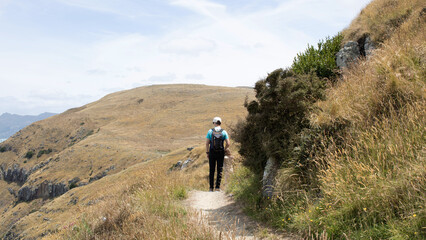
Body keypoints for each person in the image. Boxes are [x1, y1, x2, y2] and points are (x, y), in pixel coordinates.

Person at [206, 117, 230, 192]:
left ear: (214, 123)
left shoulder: (210, 131)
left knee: (212, 170)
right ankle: (217, 187)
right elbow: (228, 143)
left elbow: (207, 143)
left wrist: (207, 153)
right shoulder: (224, 132)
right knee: (219, 170)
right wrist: (225, 149)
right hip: (220, 152)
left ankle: (211, 188)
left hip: (212, 152)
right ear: (220, 123)